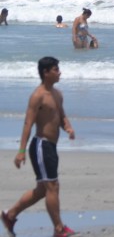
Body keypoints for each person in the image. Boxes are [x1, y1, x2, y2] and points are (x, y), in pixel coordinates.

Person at [2, 56, 77, 237]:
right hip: (40, 146)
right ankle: (59, 228)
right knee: (52, 186)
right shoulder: (37, 96)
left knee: (43, 189)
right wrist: (21, 151)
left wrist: (67, 126)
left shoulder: (58, 94)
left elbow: (61, 115)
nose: (59, 72)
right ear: (46, 73)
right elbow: (28, 123)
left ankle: (10, 215)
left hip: (51, 147)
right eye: (56, 69)